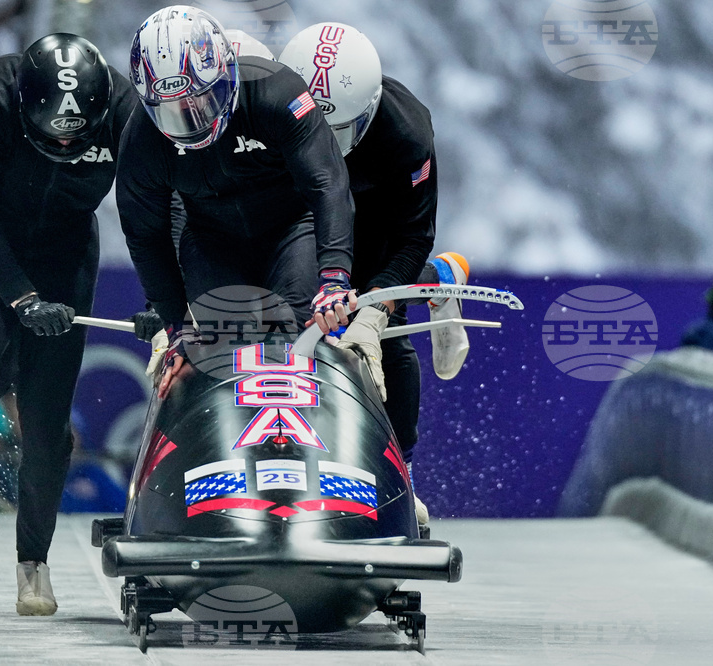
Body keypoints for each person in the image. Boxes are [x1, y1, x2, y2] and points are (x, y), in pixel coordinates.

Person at [0, 33, 136, 615]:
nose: (68, 144)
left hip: (65, 249)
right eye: (55, 136)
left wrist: (166, 300)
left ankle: (33, 564)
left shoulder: (124, 112)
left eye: (79, 138)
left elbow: (157, 203)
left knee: (47, 426)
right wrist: (22, 299)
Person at [281, 23, 472, 524]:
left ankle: (402, 474)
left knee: (376, 335)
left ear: (366, 113)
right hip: (297, 213)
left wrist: (377, 308)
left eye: (338, 132)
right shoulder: (265, 111)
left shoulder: (406, 136)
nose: (327, 145)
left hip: (372, 218)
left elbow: (411, 235)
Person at [116, 5, 356, 397]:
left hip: (291, 232)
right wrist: (176, 327)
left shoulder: (276, 91)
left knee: (292, 333)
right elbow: (146, 237)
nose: (190, 121)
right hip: (213, 241)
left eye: (200, 102)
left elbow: (327, 183)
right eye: (172, 112)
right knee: (215, 350)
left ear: (226, 74)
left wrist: (333, 278)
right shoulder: (141, 141)